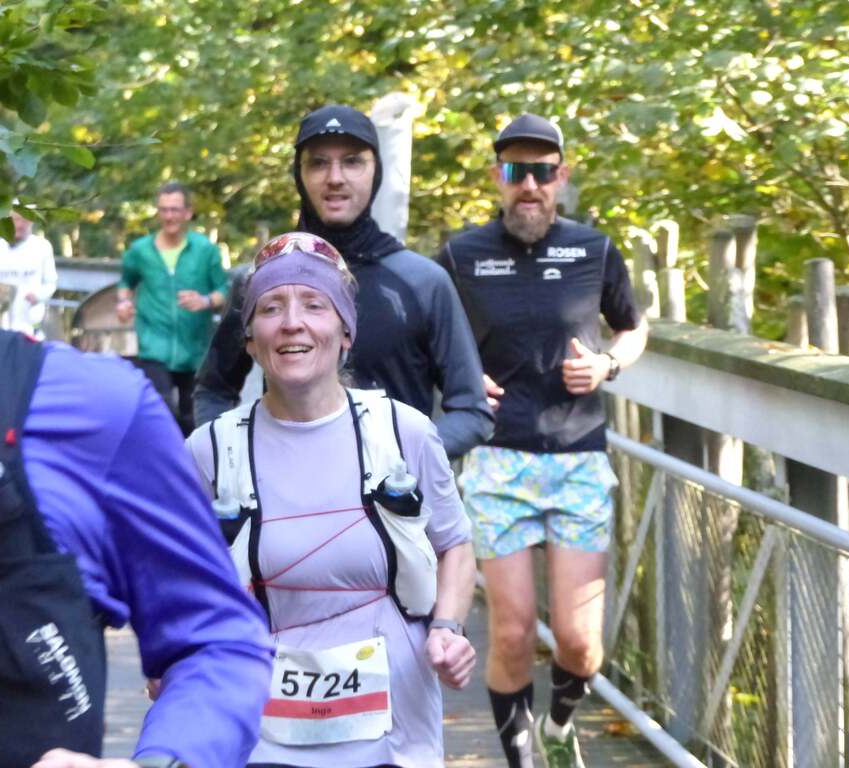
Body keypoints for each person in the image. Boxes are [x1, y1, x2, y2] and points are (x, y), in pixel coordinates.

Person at [0, 3, 272, 767]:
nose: (169, 212)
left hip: (168, 365)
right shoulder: (139, 255)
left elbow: (218, 639)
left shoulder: (94, 410)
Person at [186, 232, 478, 768]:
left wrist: (447, 628)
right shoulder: (211, 450)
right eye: (271, 308)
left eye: (314, 305)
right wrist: (173, 657)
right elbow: (177, 576)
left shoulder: (404, 432)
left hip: (394, 730)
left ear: (346, 332)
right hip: (258, 727)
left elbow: (455, 545)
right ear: (249, 340)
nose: (291, 323)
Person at [439, 114, 649, 768]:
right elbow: (428, 337)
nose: (528, 185)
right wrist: (459, 378)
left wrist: (609, 365)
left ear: (561, 176)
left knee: (580, 645)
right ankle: (523, 760)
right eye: (515, 171)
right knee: (509, 634)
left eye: (541, 172)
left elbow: (634, 327)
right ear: (497, 177)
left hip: (579, 455)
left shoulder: (594, 249)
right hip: (498, 458)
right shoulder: (461, 255)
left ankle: (558, 725)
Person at [193, 104, 493, 459]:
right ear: (299, 174)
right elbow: (213, 390)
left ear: (376, 171)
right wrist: (231, 462)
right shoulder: (263, 280)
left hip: (396, 491)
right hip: (285, 486)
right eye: (318, 163)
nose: (335, 177)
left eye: (352, 161)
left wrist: (403, 462)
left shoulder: (424, 283)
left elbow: (472, 411)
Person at [116, 182, 227, 435]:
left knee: (192, 421)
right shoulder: (140, 250)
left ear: (188, 212)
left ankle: (189, 460)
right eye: (163, 210)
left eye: (175, 210)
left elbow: (224, 290)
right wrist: (123, 303)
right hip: (153, 347)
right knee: (161, 415)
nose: (169, 216)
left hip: (195, 350)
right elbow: (126, 283)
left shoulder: (205, 250)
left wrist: (205, 301)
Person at [0, 205, 58, 338]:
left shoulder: (42, 247)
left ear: (31, 222)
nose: (19, 225)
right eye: (15, 219)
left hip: (29, 325)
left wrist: (37, 296)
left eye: (24, 220)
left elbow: (51, 283)